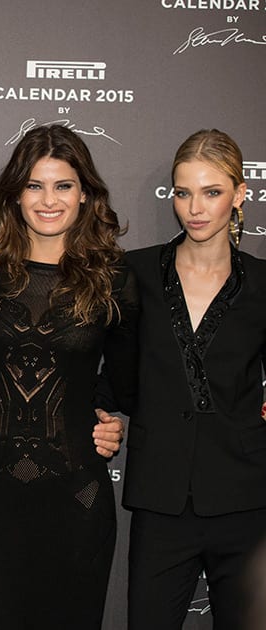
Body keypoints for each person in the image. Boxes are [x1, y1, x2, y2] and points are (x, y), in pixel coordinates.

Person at [0, 125, 135, 630]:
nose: (48, 200)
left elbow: (127, 378)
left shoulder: (115, 280)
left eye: (63, 186)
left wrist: (102, 412)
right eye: (35, 185)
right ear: (15, 195)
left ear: (85, 195)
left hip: (76, 495)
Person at [119, 129, 266, 630]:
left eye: (211, 192)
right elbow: (111, 372)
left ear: (240, 194)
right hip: (161, 499)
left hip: (246, 498)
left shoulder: (264, 284)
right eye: (183, 193)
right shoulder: (134, 273)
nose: (194, 209)